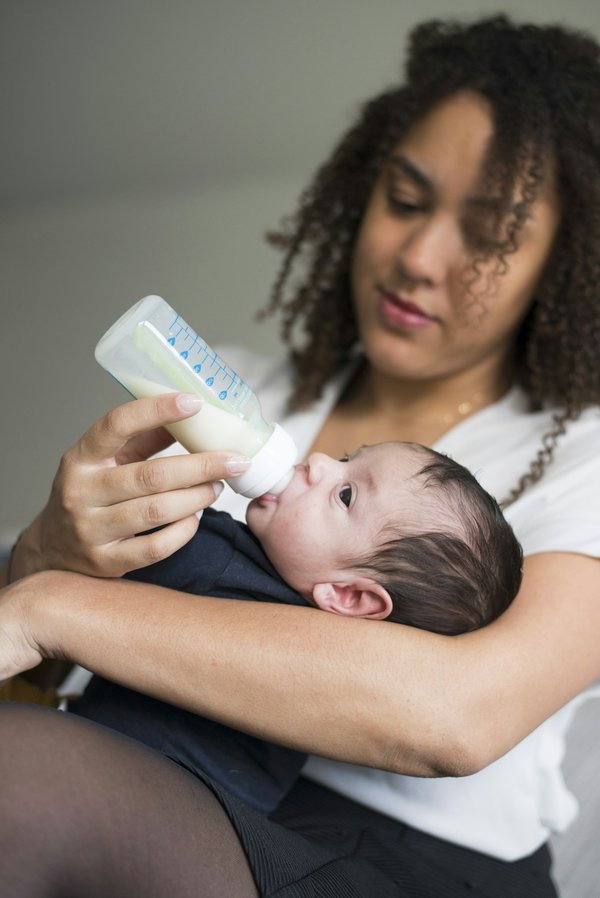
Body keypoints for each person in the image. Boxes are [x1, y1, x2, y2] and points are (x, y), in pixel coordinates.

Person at [1, 13, 600, 898]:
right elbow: (33, 667)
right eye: (403, 199)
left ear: (562, 262)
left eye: (487, 234)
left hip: (408, 858)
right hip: (164, 762)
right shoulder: (224, 393)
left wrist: (54, 606)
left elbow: (456, 718)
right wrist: (51, 549)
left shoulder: (585, 458)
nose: (419, 256)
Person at [2, 440, 522, 814]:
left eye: (345, 495)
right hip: (217, 824)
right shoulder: (331, 675)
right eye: (346, 460)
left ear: (350, 596)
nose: (317, 462)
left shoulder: (215, 556)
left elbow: (94, 556)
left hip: (118, 792)